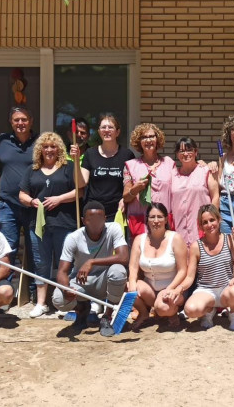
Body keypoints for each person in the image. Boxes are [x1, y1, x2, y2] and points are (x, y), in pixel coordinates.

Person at [19, 132, 84, 318]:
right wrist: (32, 201)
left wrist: (59, 199)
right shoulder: (32, 170)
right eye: (45, 146)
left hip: (64, 223)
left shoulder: (68, 167)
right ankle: (42, 303)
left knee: (65, 263)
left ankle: (69, 301)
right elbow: (22, 195)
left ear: (59, 149)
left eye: (53, 146)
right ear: (40, 149)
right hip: (39, 225)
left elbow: (79, 191)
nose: (49, 150)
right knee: (41, 263)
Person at [52, 201, 129, 337]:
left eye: (99, 219)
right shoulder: (73, 238)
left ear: (105, 219)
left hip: (104, 279)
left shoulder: (113, 228)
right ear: (83, 220)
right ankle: (82, 310)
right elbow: (62, 272)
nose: (95, 223)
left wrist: (92, 261)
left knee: (119, 271)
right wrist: (66, 289)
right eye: (90, 219)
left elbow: (123, 257)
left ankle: (107, 316)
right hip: (81, 282)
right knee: (58, 299)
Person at [0, 107, 39, 268]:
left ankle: (34, 290)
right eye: (16, 120)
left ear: (31, 121)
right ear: (11, 122)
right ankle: (5, 288)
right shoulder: (1, 141)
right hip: (7, 204)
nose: (20, 123)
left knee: (35, 249)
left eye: (24, 119)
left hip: (33, 205)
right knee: (7, 248)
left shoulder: (41, 142)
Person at [181, 205, 234, 330]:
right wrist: (178, 289)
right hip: (206, 290)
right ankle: (209, 310)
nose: (209, 225)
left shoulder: (229, 239)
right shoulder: (196, 246)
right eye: (205, 222)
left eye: (212, 220)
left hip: (227, 289)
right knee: (190, 310)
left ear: (218, 220)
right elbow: (190, 277)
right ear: (201, 226)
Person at [128, 203, 188, 329]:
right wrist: (132, 284)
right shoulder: (139, 240)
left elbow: (183, 270)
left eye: (160, 217)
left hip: (171, 288)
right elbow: (133, 267)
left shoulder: (175, 238)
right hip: (149, 289)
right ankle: (144, 313)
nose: (156, 221)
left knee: (163, 308)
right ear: (147, 220)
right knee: (129, 286)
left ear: (166, 219)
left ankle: (170, 312)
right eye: (152, 217)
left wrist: (170, 289)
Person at [75, 113, 135, 221]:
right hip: (93, 212)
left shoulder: (127, 155)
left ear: (117, 132)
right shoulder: (90, 153)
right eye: (103, 127)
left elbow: (131, 184)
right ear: (99, 132)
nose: (106, 130)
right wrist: (76, 160)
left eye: (110, 127)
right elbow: (80, 183)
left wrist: (125, 200)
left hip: (117, 212)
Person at [123, 123, 174, 238]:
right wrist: (135, 189)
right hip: (141, 223)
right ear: (139, 142)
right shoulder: (130, 165)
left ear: (157, 139)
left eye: (152, 136)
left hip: (163, 223)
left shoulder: (169, 163)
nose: (148, 140)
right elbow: (126, 197)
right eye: (144, 137)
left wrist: (199, 163)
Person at [171, 138, 220, 248]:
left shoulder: (206, 171)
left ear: (196, 152)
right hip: (179, 229)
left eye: (189, 150)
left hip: (201, 229)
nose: (185, 153)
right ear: (177, 154)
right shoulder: (173, 175)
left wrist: (211, 221)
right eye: (181, 151)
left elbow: (216, 196)